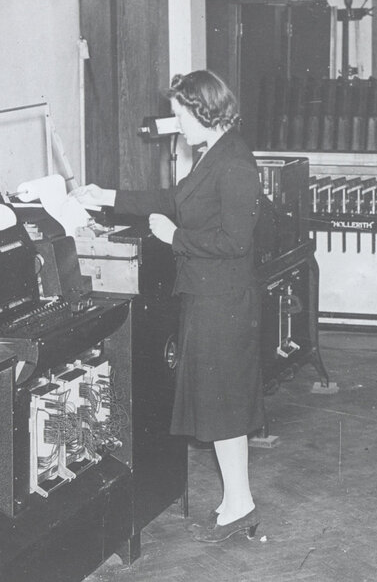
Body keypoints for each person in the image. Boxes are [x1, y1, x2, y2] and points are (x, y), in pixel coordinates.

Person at [72, 70, 264, 543]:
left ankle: (241, 502)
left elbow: (236, 242)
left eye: (181, 114)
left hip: (224, 300)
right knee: (222, 402)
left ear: (203, 111)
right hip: (209, 295)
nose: (177, 124)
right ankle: (238, 499)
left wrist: (174, 238)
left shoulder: (234, 162)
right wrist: (108, 197)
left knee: (223, 403)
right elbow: (172, 199)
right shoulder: (213, 155)